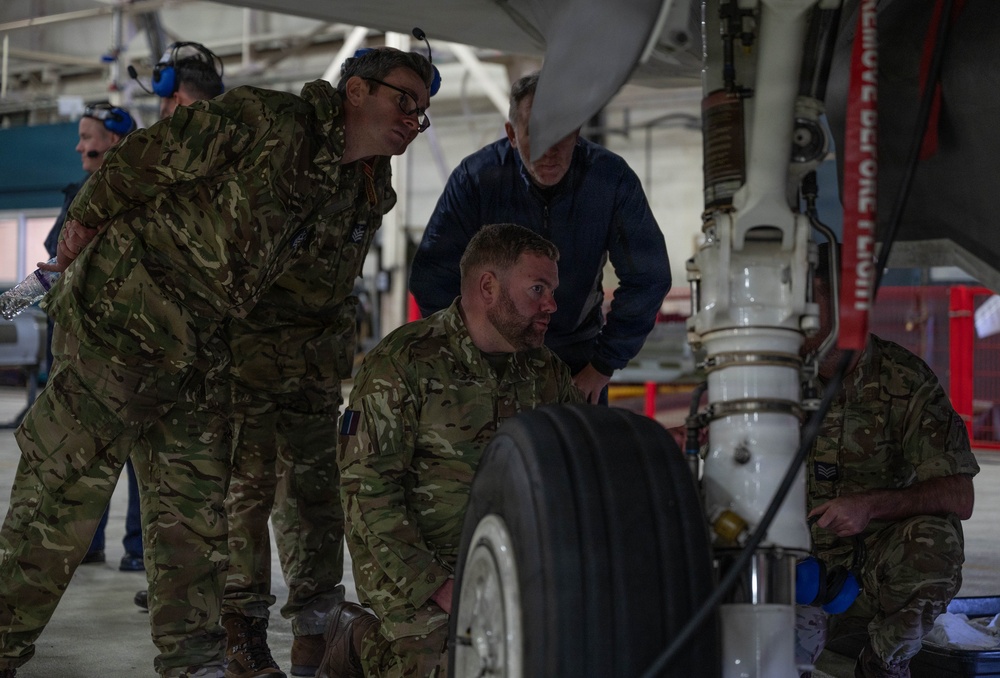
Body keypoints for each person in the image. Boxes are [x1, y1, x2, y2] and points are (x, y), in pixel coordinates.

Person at [0, 46, 435, 678]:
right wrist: (81, 227)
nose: (413, 119)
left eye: (422, 112)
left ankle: (195, 661)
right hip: (124, 321)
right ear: (357, 92)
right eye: (405, 100)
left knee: (195, 511)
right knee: (61, 500)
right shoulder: (270, 120)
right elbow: (147, 160)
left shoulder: (353, 183)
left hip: (204, 346)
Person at [321, 223, 585, 678]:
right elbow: (367, 493)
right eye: (537, 289)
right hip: (415, 566)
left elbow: (579, 457)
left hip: (512, 559)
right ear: (488, 286)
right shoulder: (403, 363)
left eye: (552, 290)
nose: (551, 305)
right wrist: (438, 585)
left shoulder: (547, 373)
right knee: (455, 663)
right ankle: (357, 637)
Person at [409, 72, 671, 404]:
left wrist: (603, 365)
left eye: (560, 131)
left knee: (576, 455)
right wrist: (470, 356)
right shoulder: (477, 180)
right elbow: (432, 277)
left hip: (577, 364)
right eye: (535, 132)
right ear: (512, 134)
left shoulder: (610, 181)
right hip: (493, 360)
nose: (548, 149)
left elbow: (649, 277)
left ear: (576, 130)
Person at [796, 243, 979, 678]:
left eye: (806, 300)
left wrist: (870, 506)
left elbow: (961, 495)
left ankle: (881, 663)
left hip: (872, 570)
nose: (792, 315)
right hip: (788, 568)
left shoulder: (905, 381)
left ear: (845, 309)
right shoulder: (772, 375)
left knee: (936, 542)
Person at [40, 102, 146, 572]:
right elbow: (53, 267)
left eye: (89, 137)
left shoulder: (138, 195)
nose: (80, 146)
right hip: (77, 346)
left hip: (126, 343)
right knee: (87, 451)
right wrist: (9, 305)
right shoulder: (79, 192)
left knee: (140, 454)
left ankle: (140, 549)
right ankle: (90, 542)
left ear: (117, 139)